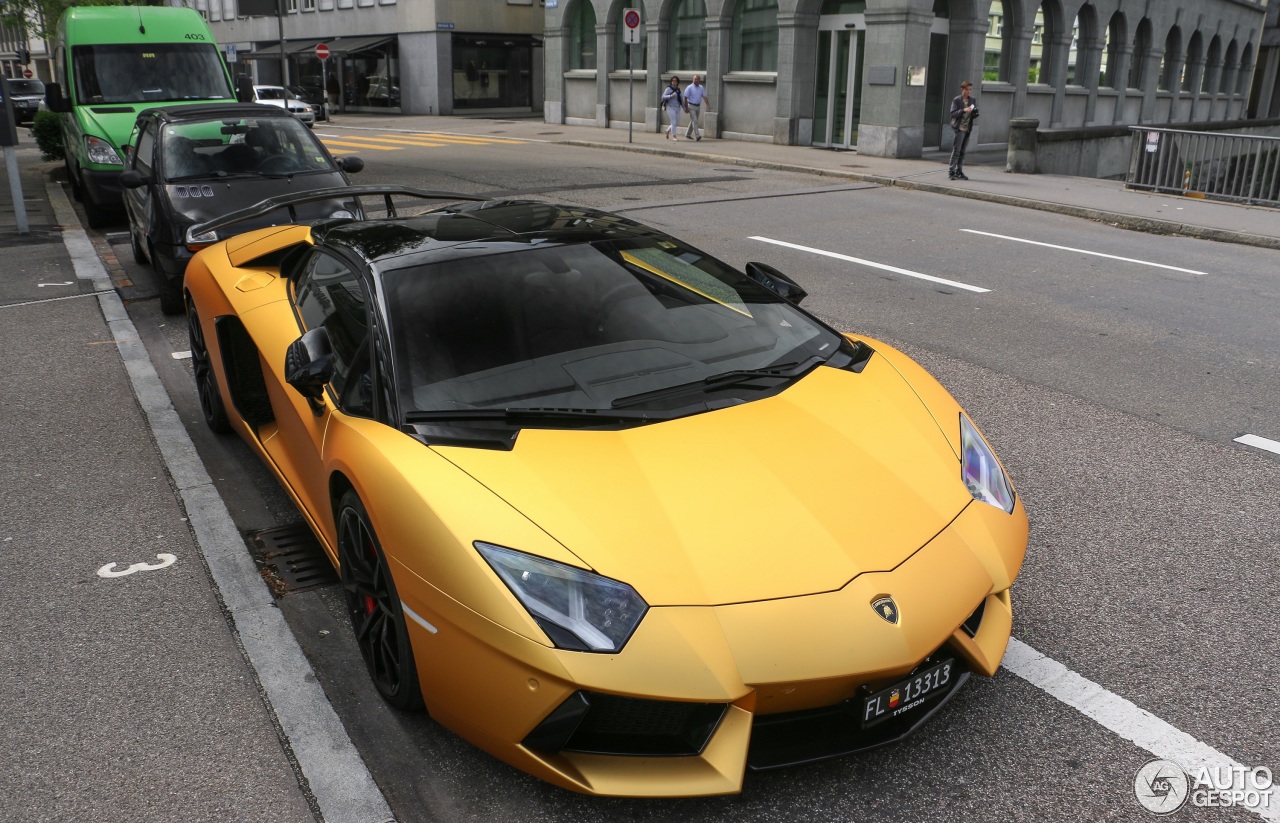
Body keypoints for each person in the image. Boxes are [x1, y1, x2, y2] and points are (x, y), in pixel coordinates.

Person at [948, 80, 979, 180]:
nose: (969, 92)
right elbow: (953, 113)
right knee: (956, 151)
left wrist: (974, 113)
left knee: (963, 151)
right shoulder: (957, 100)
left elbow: (972, 115)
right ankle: (951, 171)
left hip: (967, 128)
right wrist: (963, 110)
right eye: (967, 89)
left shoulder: (972, 100)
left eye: (970, 90)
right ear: (962, 89)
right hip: (959, 128)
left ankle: (959, 171)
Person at [684, 74, 708, 141]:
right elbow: (685, 98)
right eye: (695, 79)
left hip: (698, 106)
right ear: (693, 80)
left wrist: (708, 104)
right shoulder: (689, 87)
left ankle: (687, 134)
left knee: (693, 121)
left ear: (699, 80)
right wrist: (686, 107)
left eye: (697, 79)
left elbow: (704, 96)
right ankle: (697, 135)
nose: (696, 80)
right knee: (695, 121)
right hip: (691, 106)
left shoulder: (701, 88)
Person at [662, 76, 684, 140]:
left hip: (677, 107)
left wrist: (685, 108)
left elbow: (681, 100)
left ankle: (667, 130)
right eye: (673, 81)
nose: (674, 82)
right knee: (673, 121)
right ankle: (674, 136)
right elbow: (663, 97)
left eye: (675, 81)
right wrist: (670, 96)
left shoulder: (678, 90)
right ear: (671, 82)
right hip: (670, 107)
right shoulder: (669, 89)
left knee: (677, 122)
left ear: (677, 82)